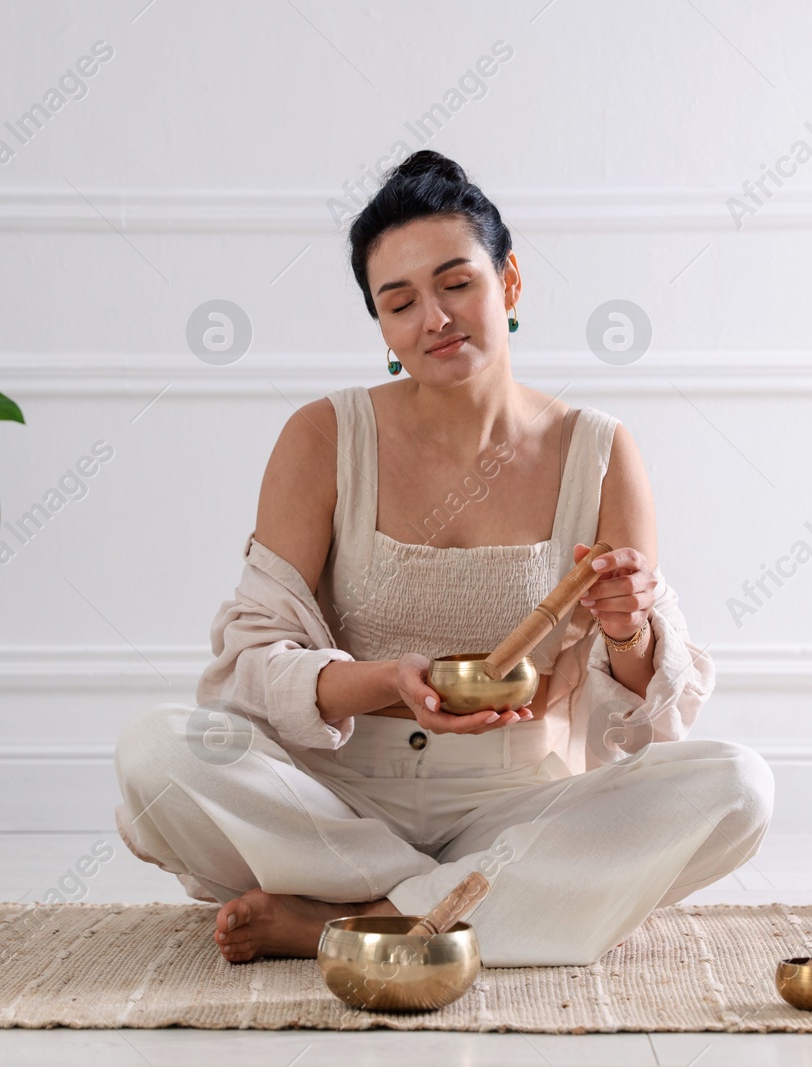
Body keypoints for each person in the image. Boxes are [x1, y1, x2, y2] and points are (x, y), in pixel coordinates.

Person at [114, 150, 773, 968]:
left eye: (457, 283)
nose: (435, 318)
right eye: (400, 302)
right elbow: (251, 665)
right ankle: (465, 904)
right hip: (335, 800)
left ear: (511, 282)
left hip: (515, 806)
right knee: (156, 749)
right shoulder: (323, 437)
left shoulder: (598, 452)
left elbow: (640, 723)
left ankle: (351, 917)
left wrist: (630, 631)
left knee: (739, 786)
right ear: (383, 329)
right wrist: (388, 681)